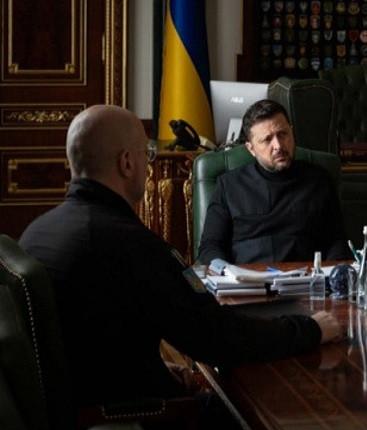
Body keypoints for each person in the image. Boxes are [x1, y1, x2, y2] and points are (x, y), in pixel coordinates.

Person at [19, 105, 343, 406]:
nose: (147, 165)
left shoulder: (36, 232)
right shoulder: (136, 247)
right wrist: (310, 330)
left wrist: (152, 367)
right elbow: (218, 337)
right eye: (146, 154)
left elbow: (97, 334)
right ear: (127, 163)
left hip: (70, 411)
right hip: (131, 419)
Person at [198, 99, 349, 264]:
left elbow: (338, 242)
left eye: (283, 134)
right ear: (251, 149)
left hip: (307, 276)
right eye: (267, 139)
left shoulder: (319, 180)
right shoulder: (229, 186)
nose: (278, 145)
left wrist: (332, 272)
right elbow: (210, 247)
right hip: (247, 277)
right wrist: (226, 272)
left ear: (292, 133)